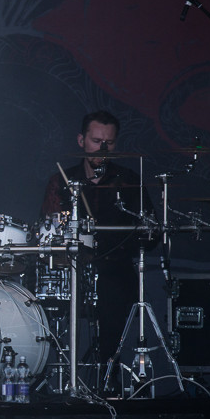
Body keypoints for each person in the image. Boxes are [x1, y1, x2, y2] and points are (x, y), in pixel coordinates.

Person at [39, 111, 156, 374]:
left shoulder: (128, 181)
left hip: (113, 270)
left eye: (109, 143)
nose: (102, 148)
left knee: (114, 291)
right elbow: (48, 230)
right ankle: (54, 376)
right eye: (96, 141)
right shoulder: (62, 181)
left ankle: (108, 377)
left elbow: (151, 234)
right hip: (68, 270)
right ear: (81, 140)